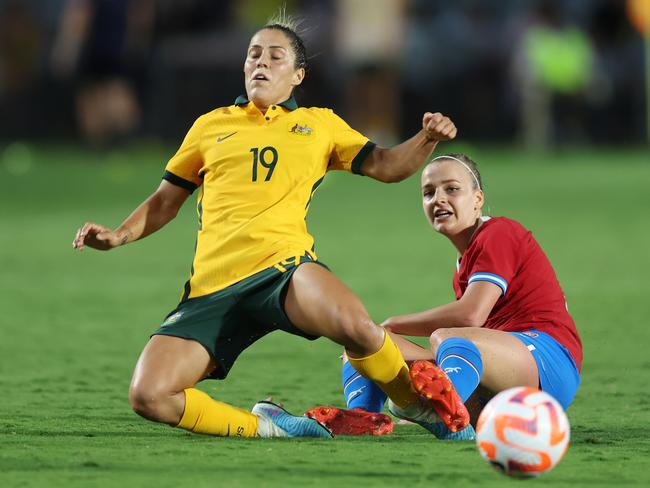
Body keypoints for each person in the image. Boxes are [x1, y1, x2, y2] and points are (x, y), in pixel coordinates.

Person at [71, 12, 459, 439]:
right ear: (243, 67)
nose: (261, 62)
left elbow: (386, 166)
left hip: (284, 271)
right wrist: (118, 235)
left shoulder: (319, 124)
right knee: (149, 395)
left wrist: (426, 138)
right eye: (254, 54)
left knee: (357, 326)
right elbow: (165, 201)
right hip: (212, 289)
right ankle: (272, 427)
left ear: (297, 75)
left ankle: (415, 406)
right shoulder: (210, 126)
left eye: (276, 57)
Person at [309, 153, 582, 439]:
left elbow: (470, 315)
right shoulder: (465, 261)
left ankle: (433, 412)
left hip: (548, 365)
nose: (438, 199)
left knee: (446, 338)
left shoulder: (499, 232)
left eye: (451, 189)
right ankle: (366, 418)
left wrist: (394, 323)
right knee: (364, 342)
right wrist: (379, 336)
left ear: (478, 199)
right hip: (495, 376)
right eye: (429, 192)